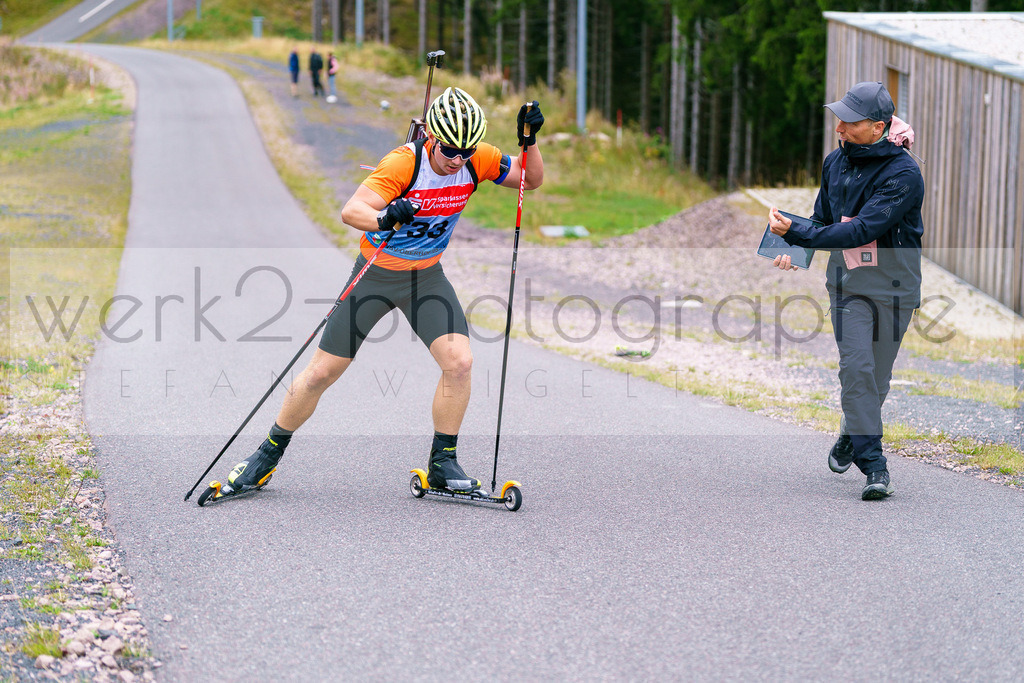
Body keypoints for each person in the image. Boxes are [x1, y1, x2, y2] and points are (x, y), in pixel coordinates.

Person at [224, 87, 545, 495]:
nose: (458, 160)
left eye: (465, 152)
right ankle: (266, 455)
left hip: (426, 278)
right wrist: (385, 215)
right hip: (375, 275)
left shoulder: (474, 157)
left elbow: (528, 180)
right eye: (449, 150)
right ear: (432, 137)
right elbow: (351, 210)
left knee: (459, 362)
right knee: (322, 371)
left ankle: (443, 463)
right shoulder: (402, 163)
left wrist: (530, 143)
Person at [767, 81, 923, 501]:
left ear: (878, 128)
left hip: (894, 288)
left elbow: (861, 230)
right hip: (849, 287)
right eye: (838, 118)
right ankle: (875, 466)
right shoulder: (834, 163)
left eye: (850, 121)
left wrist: (798, 233)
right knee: (856, 369)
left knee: (878, 377)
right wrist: (790, 246)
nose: (839, 127)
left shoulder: (904, 174)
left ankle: (852, 432)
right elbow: (822, 218)